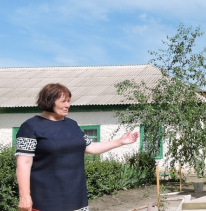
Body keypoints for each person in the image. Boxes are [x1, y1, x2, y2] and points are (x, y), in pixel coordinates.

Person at [15, 83, 139, 211]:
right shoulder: (30, 127)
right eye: (63, 101)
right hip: (46, 199)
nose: (67, 105)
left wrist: (119, 142)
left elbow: (91, 148)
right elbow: (23, 163)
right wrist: (24, 196)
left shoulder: (72, 125)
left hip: (76, 197)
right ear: (49, 101)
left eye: (69, 101)